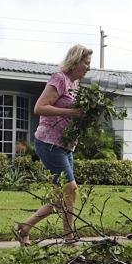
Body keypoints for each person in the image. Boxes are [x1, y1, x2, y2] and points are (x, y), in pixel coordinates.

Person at [13, 44, 92, 245]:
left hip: (65, 145)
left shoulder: (75, 85)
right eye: (86, 63)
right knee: (71, 189)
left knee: (63, 196)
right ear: (75, 62)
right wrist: (72, 113)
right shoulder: (59, 79)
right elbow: (39, 107)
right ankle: (69, 237)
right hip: (49, 142)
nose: (88, 68)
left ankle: (25, 227)